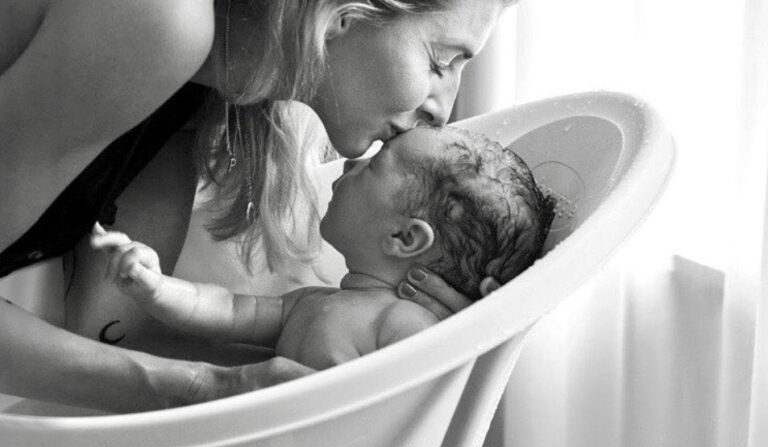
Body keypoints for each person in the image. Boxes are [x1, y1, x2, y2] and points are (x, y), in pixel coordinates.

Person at [0, 0, 513, 412]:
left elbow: (116, 334)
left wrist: (380, 348)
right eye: (441, 61)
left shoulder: (195, 92)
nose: (442, 112)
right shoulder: (155, 19)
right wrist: (204, 387)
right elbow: (147, 367)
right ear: (349, 11)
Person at [93, 126, 555, 370]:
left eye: (375, 165)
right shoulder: (313, 303)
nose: (353, 162)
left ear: (404, 238)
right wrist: (155, 287)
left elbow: (429, 404)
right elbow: (226, 310)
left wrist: (474, 331)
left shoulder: (407, 326)